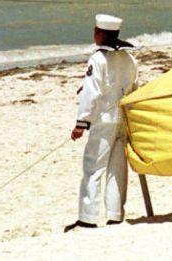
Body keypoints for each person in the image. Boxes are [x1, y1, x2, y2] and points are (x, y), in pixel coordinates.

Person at [64, 14, 138, 232]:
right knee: (117, 169)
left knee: (93, 168)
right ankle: (115, 215)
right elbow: (134, 87)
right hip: (122, 119)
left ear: (101, 33)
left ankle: (87, 218)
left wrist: (82, 122)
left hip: (103, 121)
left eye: (96, 31)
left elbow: (92, 92)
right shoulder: (129, 58)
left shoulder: (97, 59)